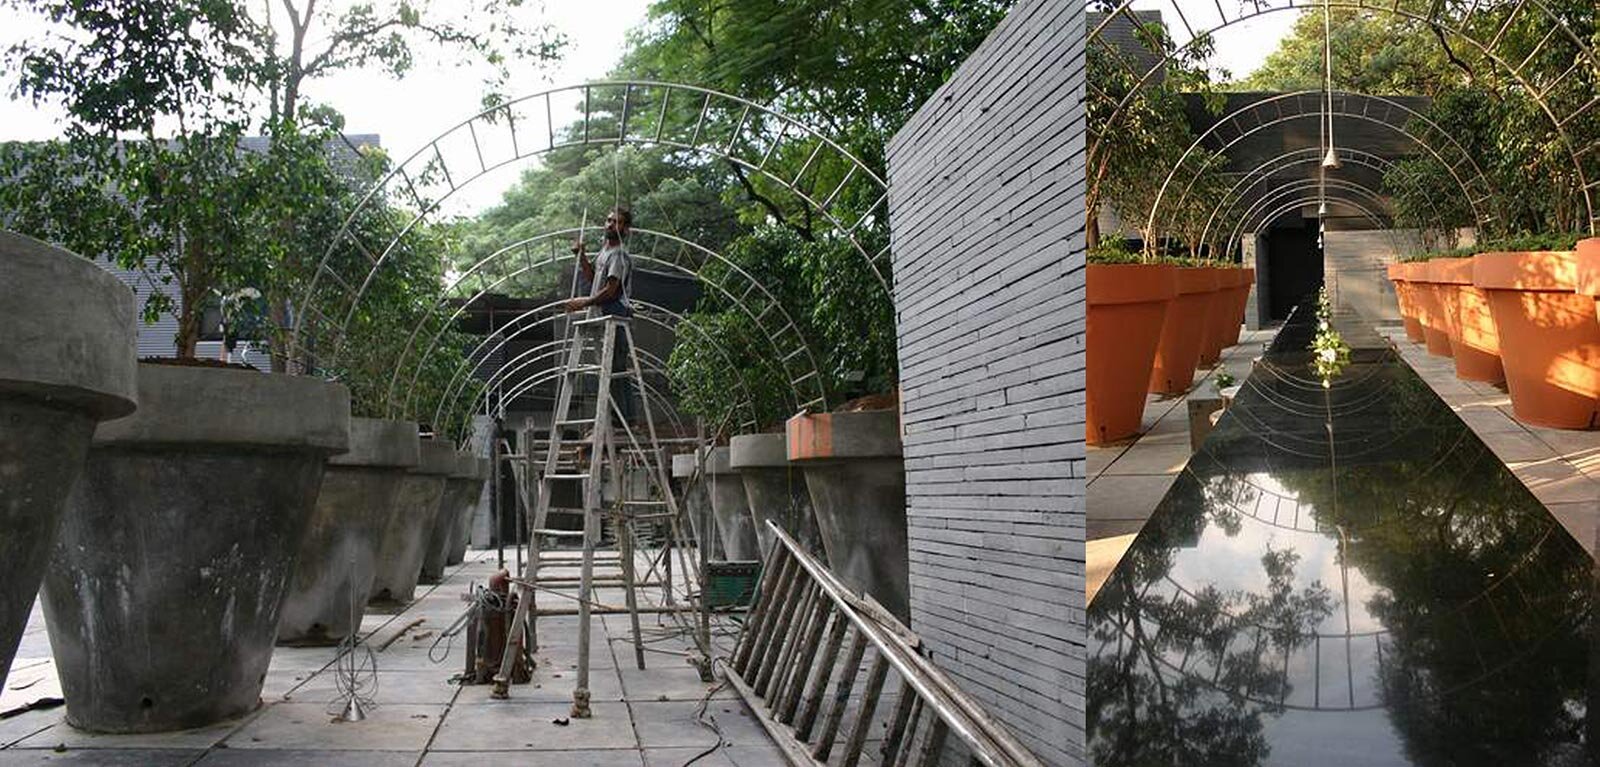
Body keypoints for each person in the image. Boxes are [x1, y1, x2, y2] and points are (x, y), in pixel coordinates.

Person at [565, 207, 637, 422]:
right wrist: (582, 256)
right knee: (610, 368)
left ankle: (624, 419)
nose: (610, 225)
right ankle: (616, 418)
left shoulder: (619, 255)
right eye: (608, 220)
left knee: (616, 369)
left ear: (625, 228)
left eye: (616, 222)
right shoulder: (605, 252)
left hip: (615, 312)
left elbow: (612, 290)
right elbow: (592, 278)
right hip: (603, 312)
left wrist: (584, 302)